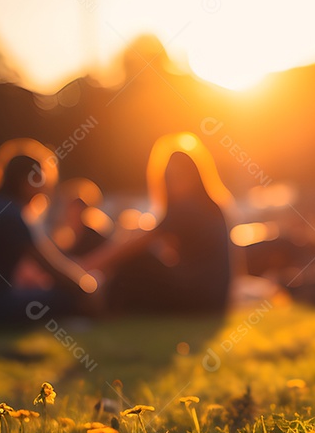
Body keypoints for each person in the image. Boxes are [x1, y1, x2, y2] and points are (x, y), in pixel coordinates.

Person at [0, 139, 98, 325]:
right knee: (68, 297)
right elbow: (52, 267)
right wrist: (87, 288)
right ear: (27, 181)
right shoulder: (10, 214)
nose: (45, 189)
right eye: (42, 180)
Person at [84, 133, 232, 315]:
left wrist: (83, 267)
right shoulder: (209, 207)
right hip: (214, 300)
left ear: (194, 176)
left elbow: (135, 244)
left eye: (179, 176)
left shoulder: (189, 207)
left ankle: (98, 309)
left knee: (136, 261)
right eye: (169, 178)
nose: (174, 183)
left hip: (202, 298)